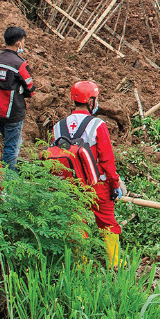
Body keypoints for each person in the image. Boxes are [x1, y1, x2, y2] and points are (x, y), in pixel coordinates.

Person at [49, 81, 125, 268]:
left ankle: (80, 267)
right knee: (107, 222)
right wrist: (115, 184)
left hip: (70, 185)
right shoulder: (97, 125)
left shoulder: (58, 126)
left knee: (77, 224)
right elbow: (107, 159)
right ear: (91, 101)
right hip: (97, 184)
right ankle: (115, 264)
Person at [0, 26, 36, 170]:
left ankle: (3, 172)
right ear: (18, 43)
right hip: (13, 112)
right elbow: (30, 88)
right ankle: (7, 178)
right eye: (23, 41)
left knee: (8, 142)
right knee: (12, 148)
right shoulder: (19, 64)